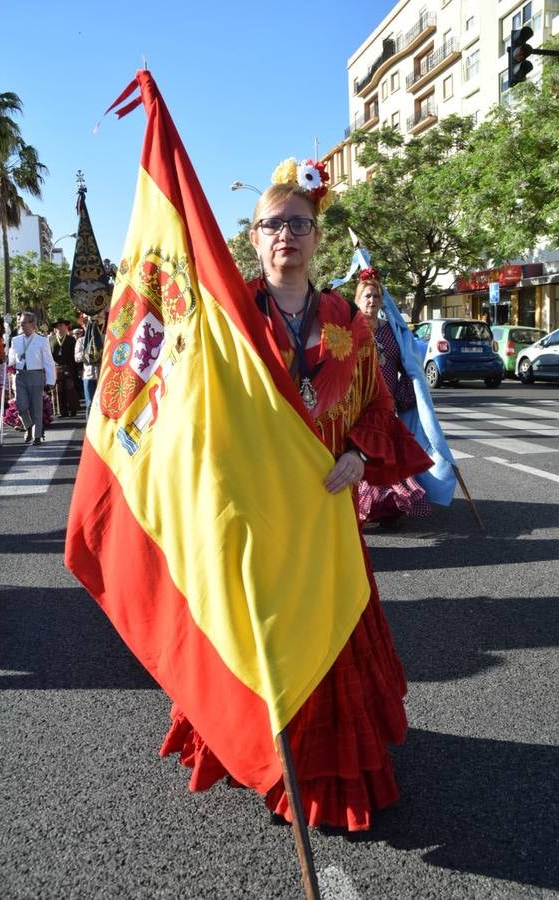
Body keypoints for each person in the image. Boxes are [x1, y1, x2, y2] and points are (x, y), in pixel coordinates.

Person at [160, 160, 433, 832]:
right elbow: (194, 400)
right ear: (253, 240)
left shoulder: (347, 319)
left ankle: (321, 765)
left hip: (323, 510)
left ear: (317, 238)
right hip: (253, 510)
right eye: (272, 224)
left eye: (299, 224)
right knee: (259, 637)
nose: (286, 234)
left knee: (329, 631)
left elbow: (376, 402)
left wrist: (359, 453)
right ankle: (258, 753)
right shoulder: (228, 318)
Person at [354, 271, 431, 527]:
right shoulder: (350, 328)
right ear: (357, 299)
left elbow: (408, 363)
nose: (372, 300)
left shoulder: (392, 330)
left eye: (376, 295)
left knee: (387, 455)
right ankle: (366, 507)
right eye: (367, 295)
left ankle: (390, 506)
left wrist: (405, 391)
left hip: (386, 403)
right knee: (366, 455)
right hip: (359, 404)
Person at [9, 310, 56, 445]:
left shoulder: (42, 340)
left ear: (32, 323)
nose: (21, 325)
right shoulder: (15, 340)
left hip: (36, 375)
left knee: (36, 407)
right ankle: (29, 426)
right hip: (20, 376)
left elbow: (48, 361)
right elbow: (12, 357)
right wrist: (10, 362)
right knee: (21, 405)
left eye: (23, 323)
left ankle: (37, 436)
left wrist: (51, 380)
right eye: (20, 323)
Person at [74, 313, 105, 420]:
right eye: (87, 323)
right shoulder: (80, 341)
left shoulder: (104, 338)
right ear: (84, 326)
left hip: (102, 375)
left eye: (93, 323)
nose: (90, 326)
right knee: (90, 404)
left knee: (104, 403)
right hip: (88, 375)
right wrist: (88, 355)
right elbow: (76, 357)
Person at [49, 319, 79, 416]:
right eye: (57, 326)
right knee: (58, 389)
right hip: (56, 367)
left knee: (70, 388)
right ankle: (62, 411)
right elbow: (48, 355)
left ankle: (73, 409)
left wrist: (77, 369)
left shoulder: (71, 339)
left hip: (68, 366)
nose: (59, 328)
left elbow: (74, 355)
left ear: (65, 327)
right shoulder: (51, 340)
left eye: (61, 325)